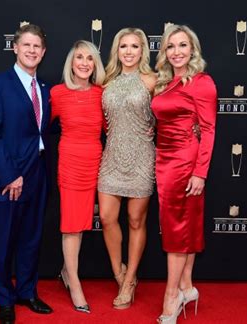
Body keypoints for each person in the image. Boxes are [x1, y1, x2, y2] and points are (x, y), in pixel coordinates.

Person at [0, 24, 53, 324]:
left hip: (37, 174)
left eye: (37, 46)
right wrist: (10, 175)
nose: (32, 50)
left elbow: (44, 130)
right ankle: (5, 299)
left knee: (31, 238)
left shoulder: (44, 88)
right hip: (8, 176)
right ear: (15, 48)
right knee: (4, 242)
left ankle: (26, 292)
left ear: (43, 52)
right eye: (26, 45)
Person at [151, 24, 217, 323]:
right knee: (184, 223)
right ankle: (187, 286)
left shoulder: (202, 83)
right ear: (164, 51)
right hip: (163, 158)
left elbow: (209, 129)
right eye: (171, 46)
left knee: (177, 229)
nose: (176, 52)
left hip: (185, 161)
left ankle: (172, 296)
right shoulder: (163, 83)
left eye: (182, 45)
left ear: (193, 49)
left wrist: (200, 172)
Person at [98, 27, 156, 309]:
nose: (129, 51)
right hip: (111, 158)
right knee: (108, 218)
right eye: (124, 46)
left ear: (143, 50)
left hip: (142, 158)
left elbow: (170, 112)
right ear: (116, 50)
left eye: (135, 46)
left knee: (136, 220)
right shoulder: (106, 81)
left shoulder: (152, 81)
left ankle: (130, 279)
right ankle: (117, 272)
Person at [50, 40, 105, 313]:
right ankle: (74, 281)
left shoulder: (101, 94)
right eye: (79, 57)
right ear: (71, 62)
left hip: (97, 164)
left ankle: (64, 270)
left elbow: (116, 127)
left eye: (90, 58)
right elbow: (35, 125)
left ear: (95, 64)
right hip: (70, 163)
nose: (84, 63)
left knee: (84, 221)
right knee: (72, 224)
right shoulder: (57, 93)